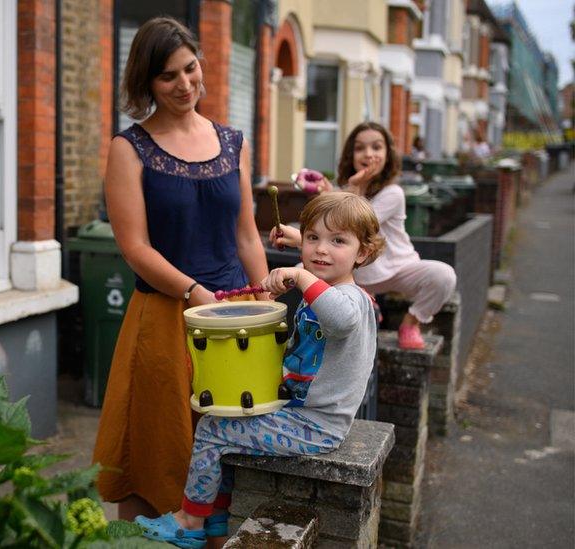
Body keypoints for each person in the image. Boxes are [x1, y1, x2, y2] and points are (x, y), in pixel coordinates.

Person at [92, 17, 271, 521]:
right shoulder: (128, 149)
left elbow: (246, 235)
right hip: (165, 317)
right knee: (156, 456)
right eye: (168, 76)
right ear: (146, 83)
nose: (185, 84)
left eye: (190, 68)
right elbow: (134, 247)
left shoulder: (233, 142)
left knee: (228, 454)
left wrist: (266, 304)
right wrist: (194, 292)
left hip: (233, 319)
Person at [135, 192, 385, 548]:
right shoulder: (328, 285)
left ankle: (190, 522)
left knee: (212, 429)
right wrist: (303, 247)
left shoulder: (350, 300)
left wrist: (299, 276)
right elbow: (325, 257)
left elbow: (340, 318)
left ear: (362, 254)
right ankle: (216, 516)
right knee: (226, 417)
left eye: (338, 242)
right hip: (302, 415)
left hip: (317, 427)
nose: (321, 250)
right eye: (313, 238)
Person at [292, 122, 456, 349]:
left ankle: (411, 323)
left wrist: (349, 189)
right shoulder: (345, 189)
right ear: (351, 155)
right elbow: (328, 227)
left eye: (376, 147)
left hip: (397, 269)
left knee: (444, 276)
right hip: (355, 273)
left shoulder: (393, 193)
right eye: (360, 148)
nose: (368, 154)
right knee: (300, 271)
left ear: (388, 154)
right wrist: (332, 191)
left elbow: (357, 225)